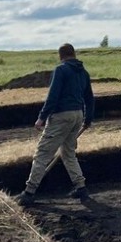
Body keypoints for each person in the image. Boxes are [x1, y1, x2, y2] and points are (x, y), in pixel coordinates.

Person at [16, 44, 95, 206]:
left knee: (42, 153)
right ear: (74, 54)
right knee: (68, 152)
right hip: (77, 115)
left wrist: (41, 117)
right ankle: (81, 187)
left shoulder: (61, 70)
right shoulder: (84, 73)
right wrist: (88, 119)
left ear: (61, 56)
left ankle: (29, 192)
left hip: (61, 116)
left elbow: (53, 96)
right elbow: (90, 98)